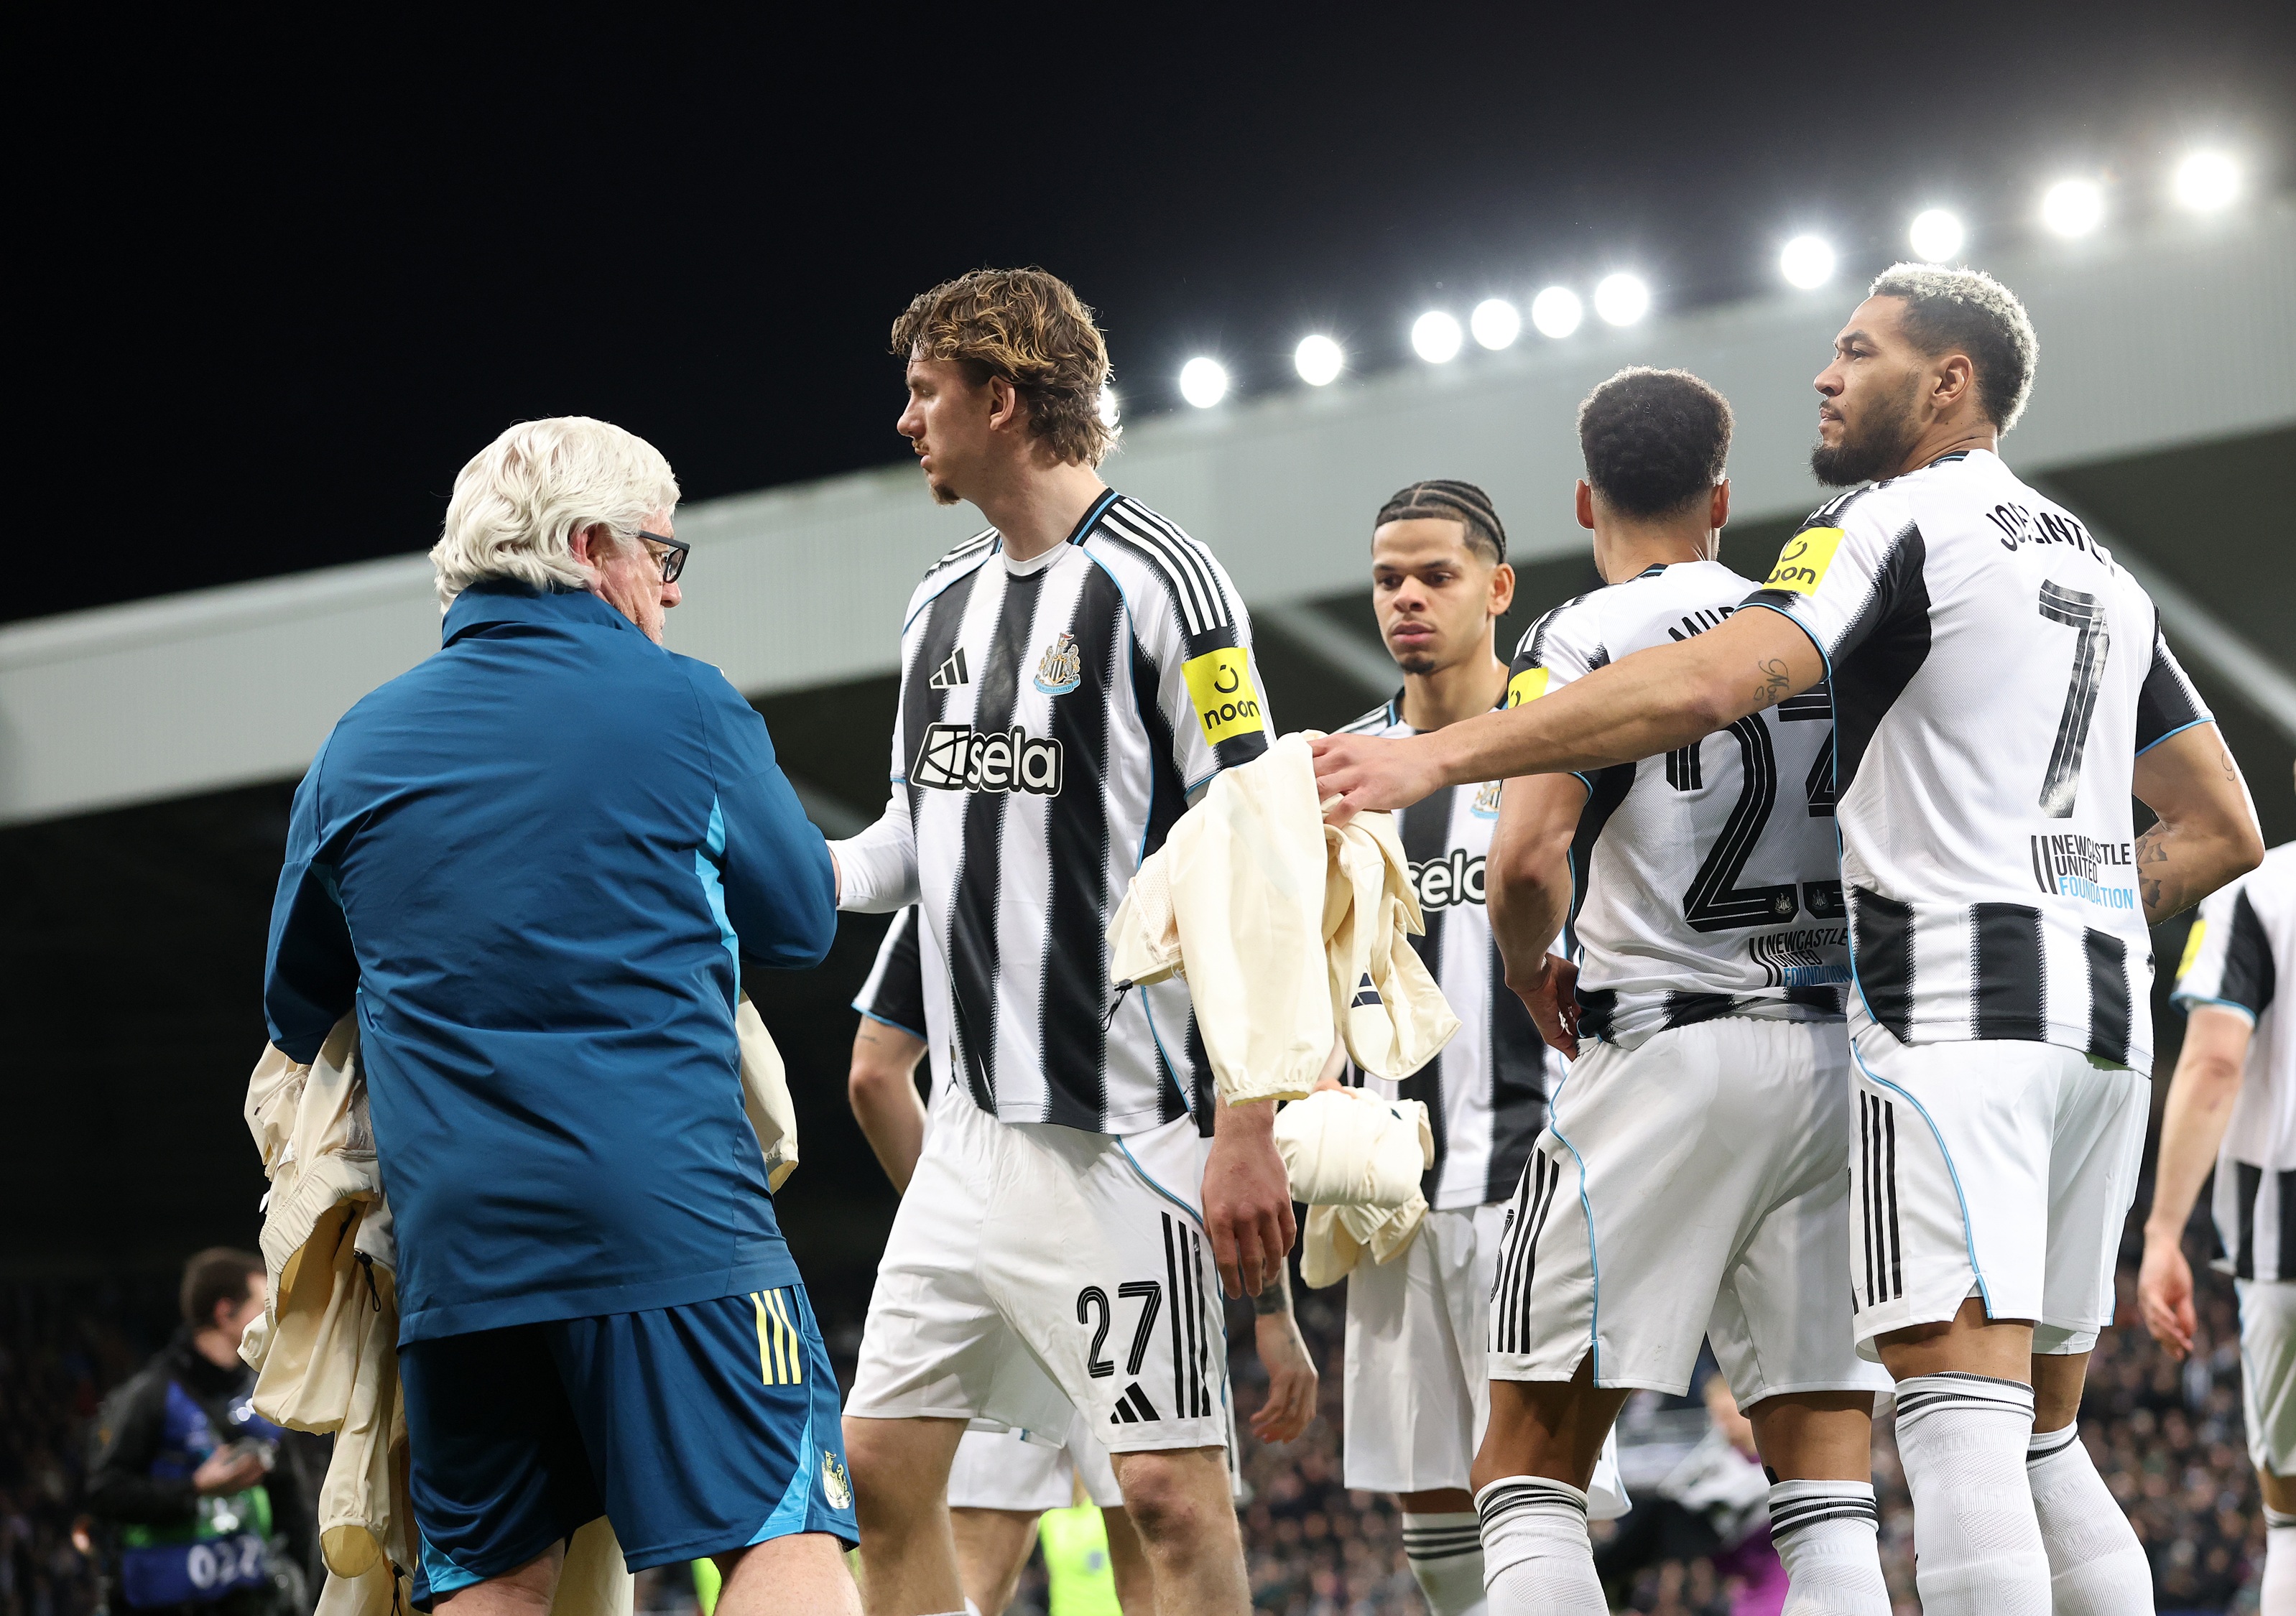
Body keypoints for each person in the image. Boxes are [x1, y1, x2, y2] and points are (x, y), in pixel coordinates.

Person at [1311, 266, 2266, 1616]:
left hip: (1838, 1032)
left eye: (1857, 353)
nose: (1825, 376)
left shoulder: (1867, 537)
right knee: (2006, 1451)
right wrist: (2066, 890)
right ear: (1717, 496)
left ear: (1949, 384)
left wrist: (1436, 762)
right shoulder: (2097, 566)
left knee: (1542, 1462)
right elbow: (2222, 826)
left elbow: (1678, 710)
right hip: (2076, 1023)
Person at [262, 417, 858, 1616]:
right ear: (591, 547)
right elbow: (799, 919)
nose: (669, 592)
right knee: (780, 1530)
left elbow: (297, 998)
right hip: (674, 1228)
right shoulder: (684, 706)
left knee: (494, 1576)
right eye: (661, 555)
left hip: (459, 1260)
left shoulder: (356, 748)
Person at [828, 267, 1297, 1616]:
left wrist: (1246, 1119)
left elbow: (1253, 849)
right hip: (967, 1142)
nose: (908, 421)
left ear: (1001, 396)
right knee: (880, 1466)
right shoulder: (937, 605)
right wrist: (769, 872)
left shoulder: (1171, 585)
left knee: (1166, 1500)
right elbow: (908, 841)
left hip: (1125, 1135)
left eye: (926, 393)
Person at [1430, 372, 1890, 1615]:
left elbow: (1525, 861)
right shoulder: (1812, 624)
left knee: (1526, 1466)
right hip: (1829, 1061)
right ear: (1723, 499)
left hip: (1661, 1049)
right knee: (1828, 1479)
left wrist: (1529, 969)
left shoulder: (1579, 635)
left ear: (1583, 498)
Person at [1315, 479, 1573, 1616]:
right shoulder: (1337, 771)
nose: (1407, 598)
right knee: (1432, 1523)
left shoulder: (1564, 739)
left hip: (1540, 1179)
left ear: (1498, 587)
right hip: (1391, 1196)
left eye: (1436, 575)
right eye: (1387, 579)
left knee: (1534, 1503)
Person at [2140, 791, 2294, 1612]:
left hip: (2284, 1237)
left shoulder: (2259, 893)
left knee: (2293, 1521)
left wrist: (2164, 1230)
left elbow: (2212, 1066)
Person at [86, 1250, 316, 1616]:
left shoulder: (266, 1398)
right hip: (164, 1605)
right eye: (262, 1306)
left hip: (252, 1603)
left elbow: (295, 1513)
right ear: (225, 1313)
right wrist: (194, 1489)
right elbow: (103, 1493)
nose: (274, 1318)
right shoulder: (151, 1396)